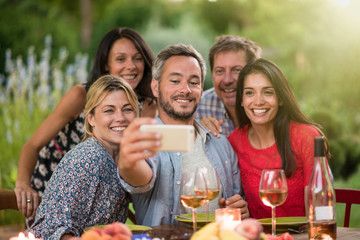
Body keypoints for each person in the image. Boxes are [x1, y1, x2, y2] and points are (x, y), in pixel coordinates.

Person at [15, 27, 156, 219]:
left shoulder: (147, 105)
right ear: (106, 64)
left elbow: (131, 169)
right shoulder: (81, 95)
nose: (131, 66)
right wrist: (23, 184)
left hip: (100, 199)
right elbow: (33, 145)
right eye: (121, 59)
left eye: (137, 58)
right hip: (56, 193)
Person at [120, 43, 249, 227]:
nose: (186, 89)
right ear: (156, 87)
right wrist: (127, 160)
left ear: (201, 89)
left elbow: (237, 206)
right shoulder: (147, 139)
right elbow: (138, 177)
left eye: (194, 82)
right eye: (175, 81)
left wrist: (240, 210)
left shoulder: (220, 143)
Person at [29, 75, 157, 240]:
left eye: (127, 109)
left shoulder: (117, 157)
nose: (120, 118)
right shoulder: (88, 158)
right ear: (91, 118)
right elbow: (48, 229)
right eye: (109, 110)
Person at [227, 58, 331, 219]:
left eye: (268, 92)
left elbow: (320, 210)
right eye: (249, 93)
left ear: (281, 98)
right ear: (241, 100)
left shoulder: (306, 137)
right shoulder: (234, 142)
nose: (259, 101)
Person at [195, 35, 261, 137]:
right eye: (220, 71)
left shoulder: (268, 107)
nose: (227, 80)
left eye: (236, 70)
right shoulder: (196, 109)